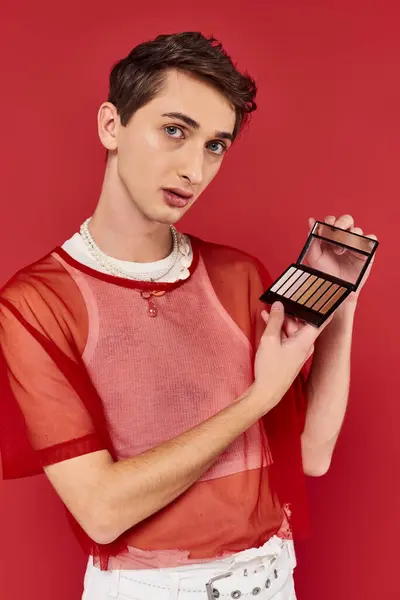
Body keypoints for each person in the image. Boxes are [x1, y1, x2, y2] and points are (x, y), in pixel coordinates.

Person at [0, 31, 376, 600]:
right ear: (112, 126)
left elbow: (313, 456)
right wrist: (257, 398)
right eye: (174, 131)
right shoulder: (37, 304)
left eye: (215, 146)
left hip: (274, 578)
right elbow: (101, 510)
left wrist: (340, 306)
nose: (193, 170)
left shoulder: (238, 276)